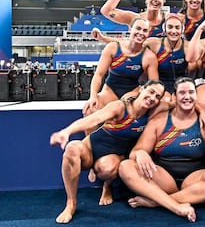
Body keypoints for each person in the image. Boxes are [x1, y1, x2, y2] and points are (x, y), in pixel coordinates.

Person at [118, 77, 205, 222]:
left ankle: (157, 201)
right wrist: (140, 153)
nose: (187, 97)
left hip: (194, 180)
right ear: (174, 97)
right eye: (182, 93)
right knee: (125, 167)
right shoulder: (159, 121)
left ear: (196, 96)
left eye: (191, 92)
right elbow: (135, 152)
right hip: (163, 179)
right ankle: (176, 207)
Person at [49, 80, 166, 224]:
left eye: (158, 97)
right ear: (141, 89)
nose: (153, 98)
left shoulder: (152, 114)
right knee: (72, 148)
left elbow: (176, 102)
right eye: (151, 92)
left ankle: (107, 185)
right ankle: (71, 204)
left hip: (113, 156)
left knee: (107, 169)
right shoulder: (120, 106)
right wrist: (66, 132)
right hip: (91, 149)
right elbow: (94, 119)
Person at [82, 17, 159, 116]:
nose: (141, 33)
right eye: (138, 28)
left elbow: (154, 85)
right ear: (130, 29)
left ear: (148, 34)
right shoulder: (113, 48)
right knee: (89, 110)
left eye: (145, 30)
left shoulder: (149, 57)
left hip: (132, 94)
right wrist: (93, 96)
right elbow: (99, 75)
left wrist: (138, 92)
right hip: (110, 91)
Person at [100, 0, 168, 37]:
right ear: (146, 0)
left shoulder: (169, 19)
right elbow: (106, 11)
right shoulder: (134, 18)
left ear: (163, 2)